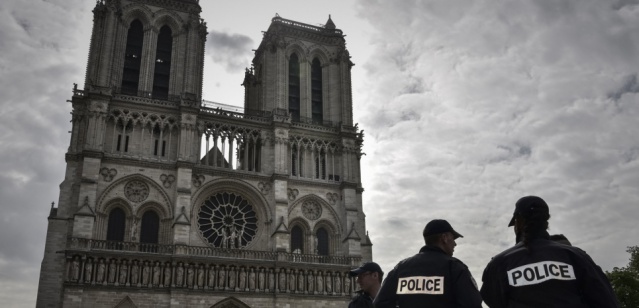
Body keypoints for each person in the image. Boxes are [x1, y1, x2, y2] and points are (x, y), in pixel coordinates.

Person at [480, 196, 619, 308]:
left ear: (518, 222)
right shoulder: (576, 256)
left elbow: (493, 300)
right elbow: (605, 300)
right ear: (546, 222)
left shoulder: (500, 263)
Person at [374, 219, 482, 308]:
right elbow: (473, 304)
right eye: (452, 238)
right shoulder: (454, 268)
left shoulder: (401, 268)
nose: (455, 243)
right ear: (444, 238)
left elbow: (380, 304)